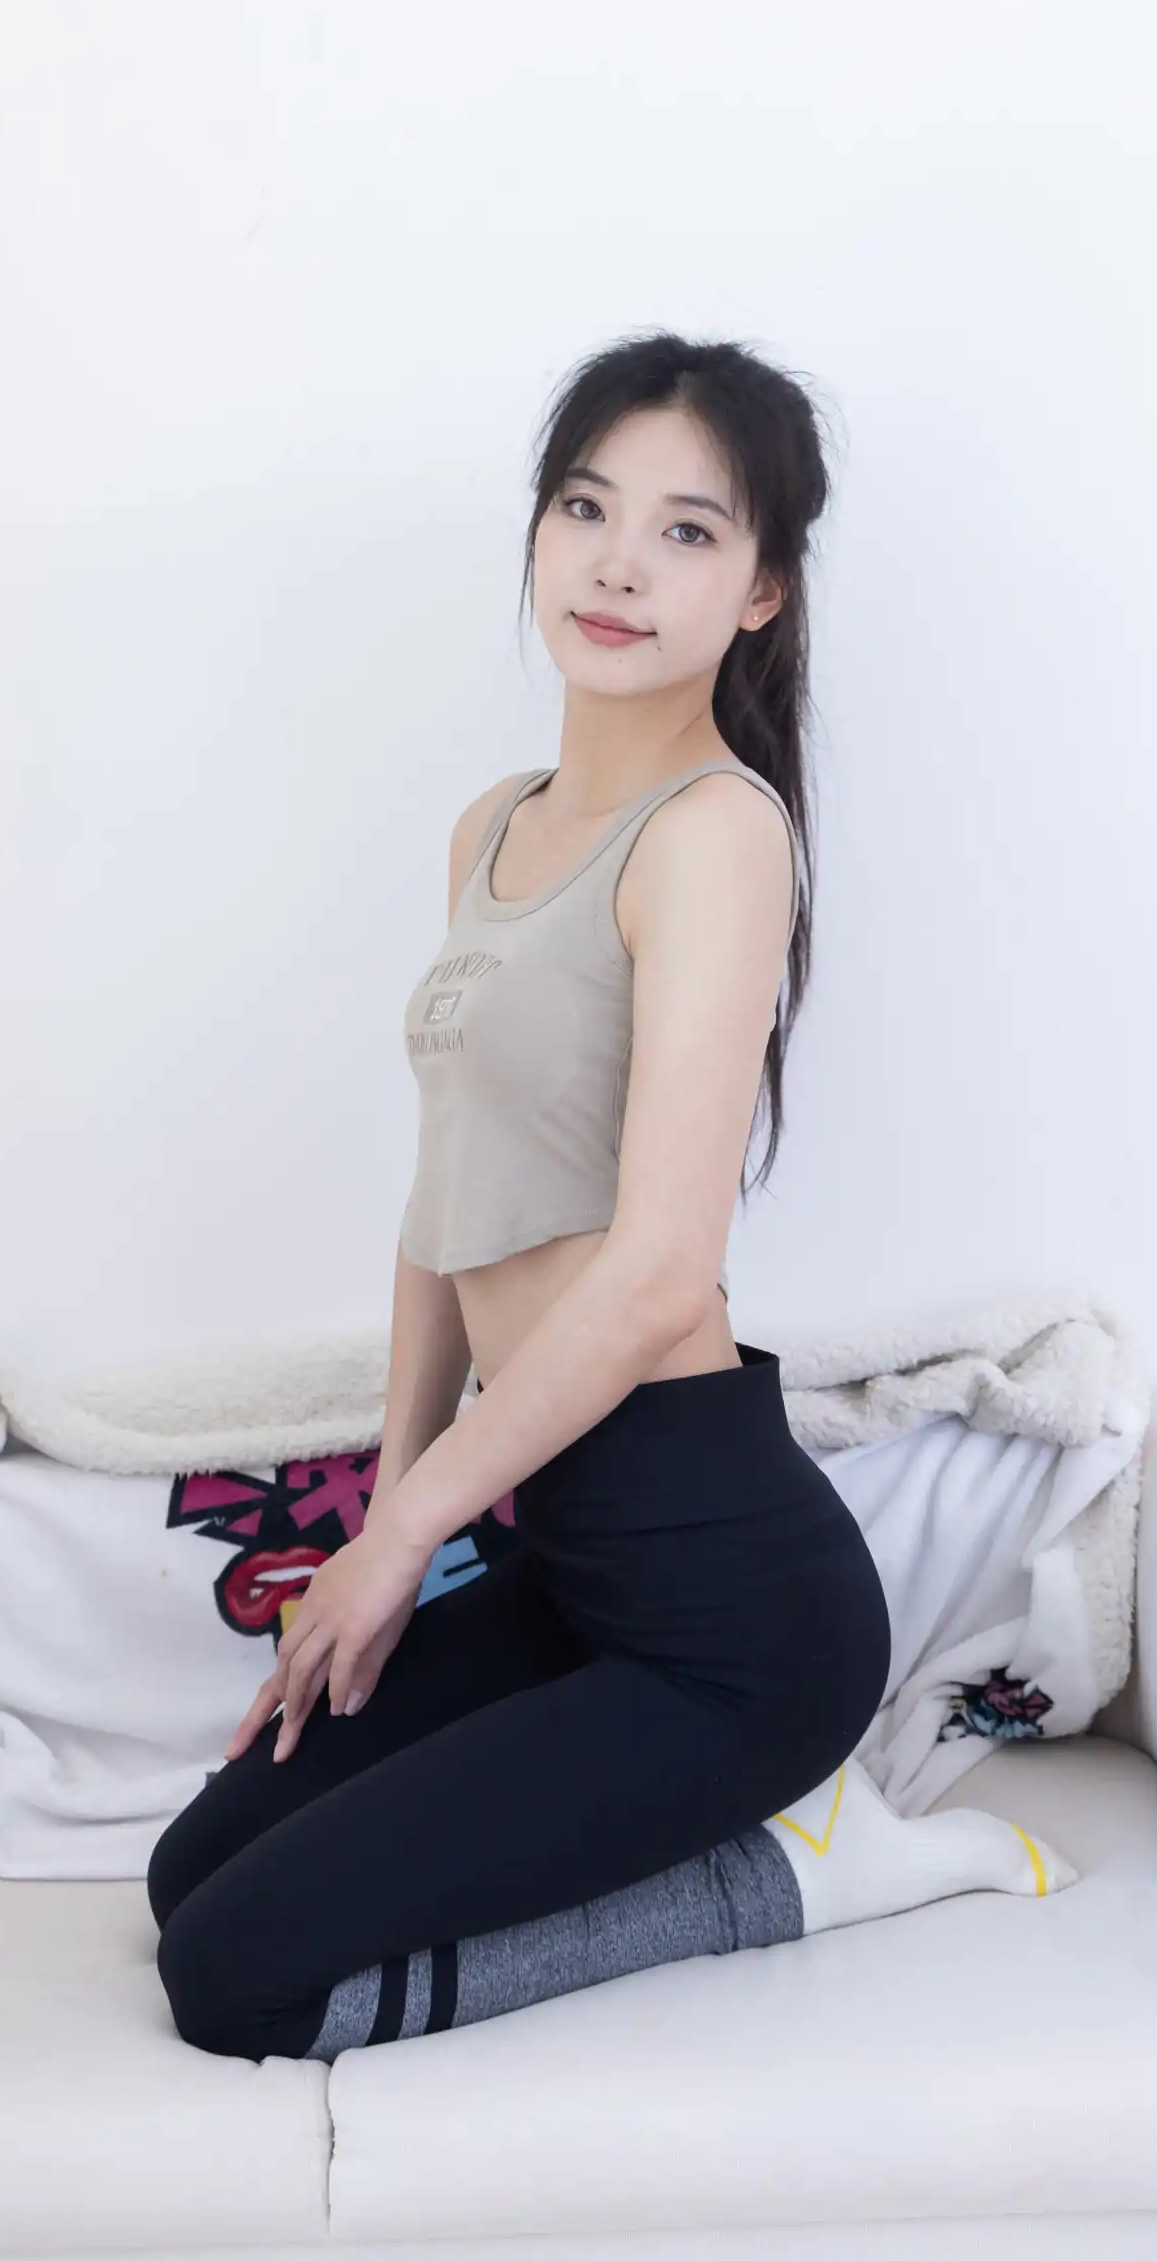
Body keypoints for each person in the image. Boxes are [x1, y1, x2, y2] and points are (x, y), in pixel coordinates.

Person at [148, 331, 893, 2060]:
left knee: (235, 1980)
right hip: (567, 1558)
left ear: (764, 589)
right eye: (587, 507)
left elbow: (659, 1274)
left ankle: (796, 1874)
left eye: (689, 531)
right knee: (194, 1874)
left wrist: (412, 1530)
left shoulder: (718, 834)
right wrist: (384, 1523)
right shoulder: (493, 823)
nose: (621, 564)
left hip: (730, 1605)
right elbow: (446, 1209)